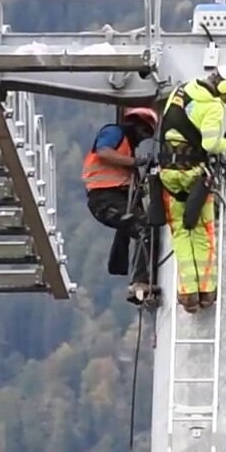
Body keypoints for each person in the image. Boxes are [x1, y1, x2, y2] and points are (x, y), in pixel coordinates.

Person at [155, 67, 226, 313]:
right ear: (225, 87)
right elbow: (211, 144)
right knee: (203, 233)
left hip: (168, 175)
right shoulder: (213, 106)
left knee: (180, 234)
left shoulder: (179, 92)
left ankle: (187, 294)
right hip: (194, 176)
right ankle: (206, 291)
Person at [81, 106, 161, 306]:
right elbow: (103, 152)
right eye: (144, 132)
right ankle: (139, 283)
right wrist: (135, 162)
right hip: (104, 197)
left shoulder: (127, 145)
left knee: (143, 226)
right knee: (144, 228)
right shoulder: (114, 132)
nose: (143, 139)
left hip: (114, 197)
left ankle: (140, 278)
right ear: (136, 124)